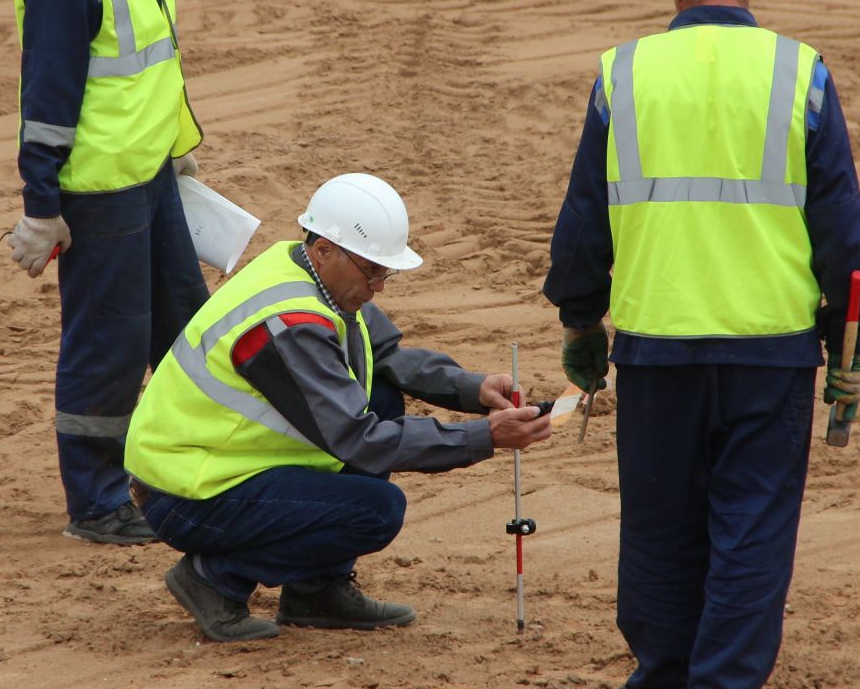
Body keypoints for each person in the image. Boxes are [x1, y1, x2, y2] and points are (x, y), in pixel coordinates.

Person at [543, 0, 860, 689]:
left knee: (660, 521)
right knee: (752, 522)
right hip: (771, 350)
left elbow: (582, 225)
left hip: (657, 346)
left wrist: (582, 324)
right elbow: (840, 229)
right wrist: (854, 339)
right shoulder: (800, 73)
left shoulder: (624, 73)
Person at [125, 174, 554, 641]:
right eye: (371, 270)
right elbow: (359, 439)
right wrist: (484, 436)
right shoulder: (290, 322)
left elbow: (385, 356)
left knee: (381, 393)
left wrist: (470, 389)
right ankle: (214, 577)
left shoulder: (308, 270)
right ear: (325, 248)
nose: (379, 287)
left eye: (383, 272)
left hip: (221, 464)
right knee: (375, 511)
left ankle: (315, 591)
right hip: (187, 492)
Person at [1, 0, 208, 545]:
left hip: (149, 173)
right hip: (97, 192)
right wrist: (40, 202)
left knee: (185, 328)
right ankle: (95, 503)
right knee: (107, 349)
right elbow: (48, 93)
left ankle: (174, 471)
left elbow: (151, 60)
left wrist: (177, 153)